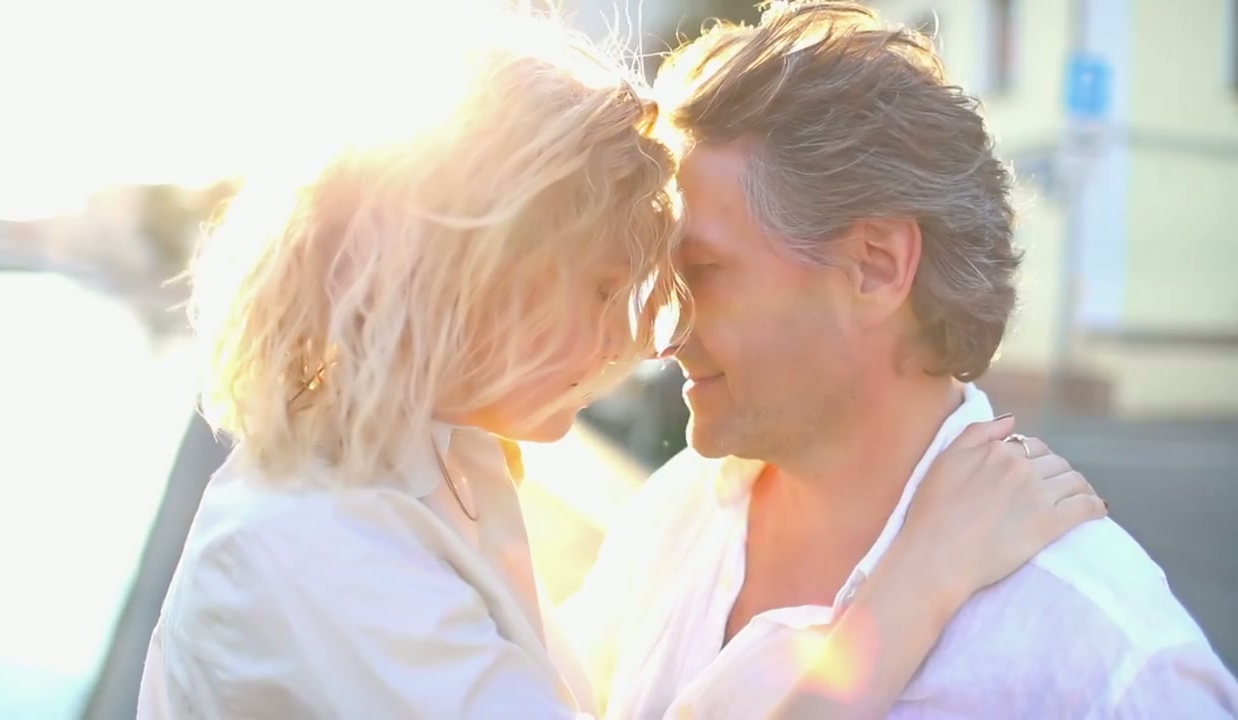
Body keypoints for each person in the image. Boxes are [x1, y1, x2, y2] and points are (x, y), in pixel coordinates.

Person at [135, 7, 1104, 719]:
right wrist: (909, 590)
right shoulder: (314, 551)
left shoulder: (440, 470)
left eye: (693, 276)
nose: (639, 336)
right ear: (477, 278)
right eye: (605, 286)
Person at [561, 3, 1238, 718]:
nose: (662, 337)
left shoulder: (1110, 662)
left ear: (876, 266)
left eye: (703, 272)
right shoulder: (677, 511)